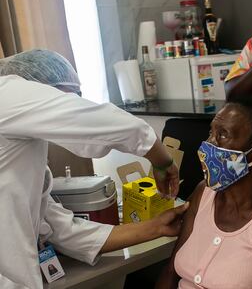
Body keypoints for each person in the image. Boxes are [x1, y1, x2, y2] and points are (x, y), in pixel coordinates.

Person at [0, 49, 189, 289]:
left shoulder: (20, 150)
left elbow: (61, 229)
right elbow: (110, 124)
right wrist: (163, 161)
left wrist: (156, 227)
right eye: (68, 98)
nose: (73, 104)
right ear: (42, 93)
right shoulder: (6, 94)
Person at [156, 96, 252, 288]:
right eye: (211, 132)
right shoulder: (204, 192)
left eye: (223, 135)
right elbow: (170, 273)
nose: (208, 144)